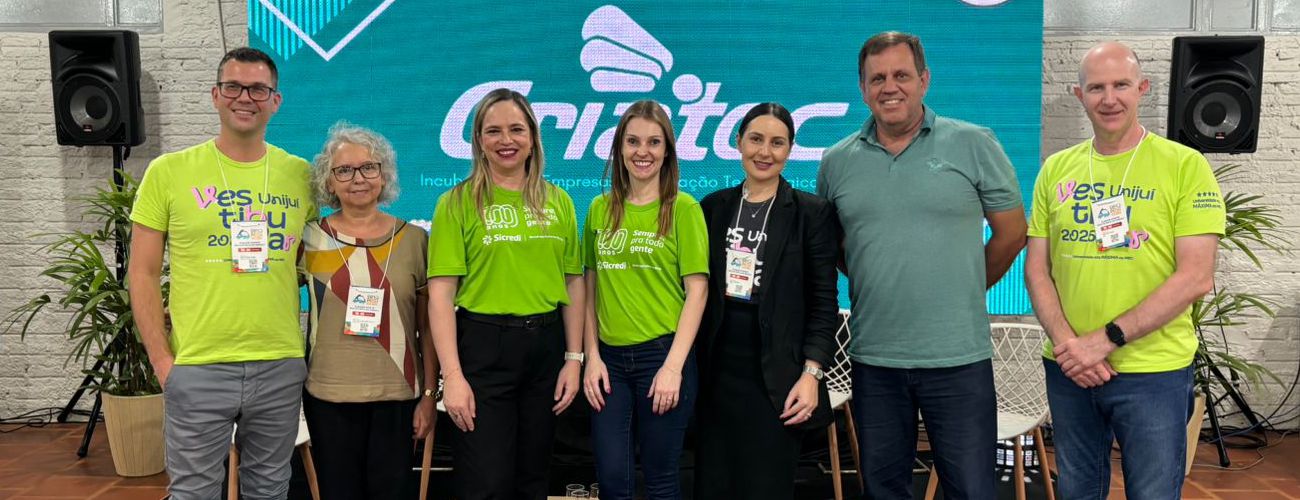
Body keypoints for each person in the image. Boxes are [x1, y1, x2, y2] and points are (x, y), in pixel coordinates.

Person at [816, 31, 1027, 499]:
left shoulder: (973, 143)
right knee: (884, 489)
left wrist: (965, 287)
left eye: (901, 75)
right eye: (877, 78)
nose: (889, 87)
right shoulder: (836, 161)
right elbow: (839, 248)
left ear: (924, 80)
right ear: (862, 88)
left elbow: (1013, 233)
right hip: (874, 358)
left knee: (971, 489)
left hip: (958, 359)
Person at [1026, 41, 1224, 499]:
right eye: (1096, 88)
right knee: (1077, 491)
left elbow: (1197, 276)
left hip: (1153, 371)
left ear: (1142, 88)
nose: (1109, 99)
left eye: (1121, 85)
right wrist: (1070, 347)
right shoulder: (1056, 169)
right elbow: (1037, 270)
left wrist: (1102, 342)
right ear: (1079, 95)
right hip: (1070, 370)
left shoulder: (1185, 166)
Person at [127, 47, 317, 499]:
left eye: (258, 89)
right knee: (194, 493)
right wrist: (162, 362)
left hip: (279, 363)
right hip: (198, 365)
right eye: (233, 87)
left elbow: (309, 266)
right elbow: (142, 273)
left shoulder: (301, 176)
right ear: (215, 95)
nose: (244, 97)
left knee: (269, 490)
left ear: (276, 101)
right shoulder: (169, 172)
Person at [427, 88, 585, 500]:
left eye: (516, 129)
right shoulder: (456, 203)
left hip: (546, 348)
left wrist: (574, 358)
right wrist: (452, 377)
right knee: (486, 482)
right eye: (493, 131)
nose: (506, 140)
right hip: (483, 348)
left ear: (533, 137)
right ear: (479, 140)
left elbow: (573, 283)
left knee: (533, 478)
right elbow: (441, 295)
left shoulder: (559, 202)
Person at [695, 103, 839, 499]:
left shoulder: (811, 213)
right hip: (717, 373)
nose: (764, 151)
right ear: (738, 142)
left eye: (777, 143)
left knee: (765, 487)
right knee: (713, 485)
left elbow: (824, 303)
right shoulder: (712, 208)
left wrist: (812, 374)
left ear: (790, 149)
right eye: (756, 139)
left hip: (779, 377)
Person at [298, 122, 436, 499]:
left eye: (368, 167)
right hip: (328, 396)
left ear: (384, 174)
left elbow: (428, 327)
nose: (357, 178)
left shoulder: (415, 240)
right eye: (344, 170)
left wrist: (428, 395)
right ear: (329, 181)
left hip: (398, 396)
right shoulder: (310, 238)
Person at [580, 100, 708, 500]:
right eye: (633, 141)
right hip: (609, 363)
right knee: (612, 479)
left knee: (661, 480)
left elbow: (698, 292)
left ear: (667, 150)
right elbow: (590, 288)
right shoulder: (599, 209)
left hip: (662, 356)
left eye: (654, 142)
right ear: (619, 147)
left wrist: (673, 367)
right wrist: (591, 357)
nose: (643, 151)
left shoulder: (683, 209)